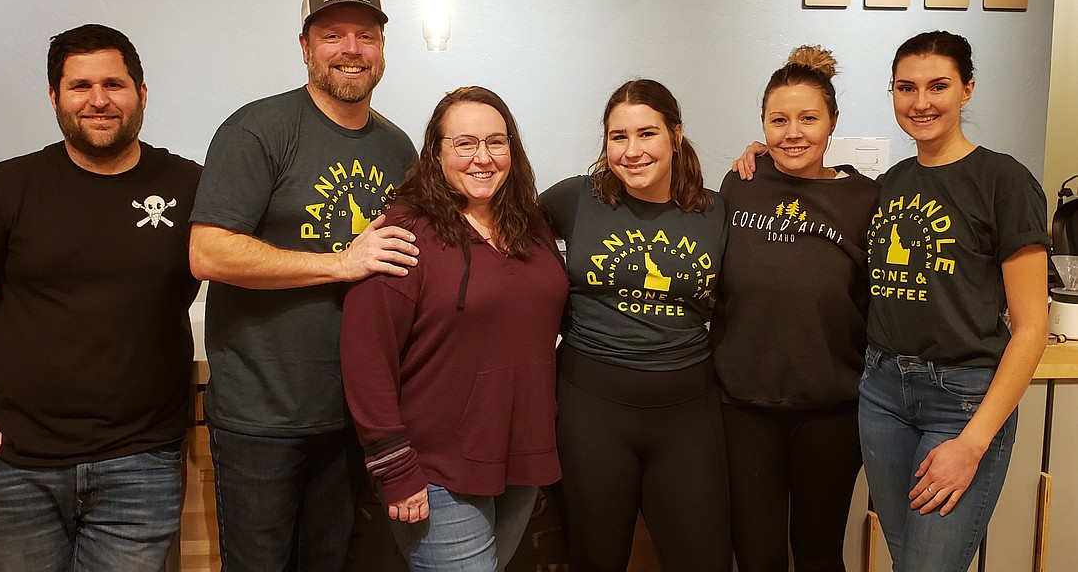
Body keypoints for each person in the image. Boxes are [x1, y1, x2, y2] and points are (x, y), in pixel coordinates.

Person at [0, 24, 201, 571]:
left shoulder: (190, 187)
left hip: (140, 463)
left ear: (142, 94)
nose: (98, 100)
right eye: (80, 87)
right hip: (18, 465)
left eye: (114, 85)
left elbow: (250, 262)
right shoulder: (7, 189)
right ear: (54, 98)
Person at [188, 0, 419, 571]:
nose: (350, 49)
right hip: (263, 415)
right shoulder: (260, 130)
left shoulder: (398, 149)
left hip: (354, 412)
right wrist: (339, 264)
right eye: (332, 35)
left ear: (382, 50)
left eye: (365, 36)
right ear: (305, 47)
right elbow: (208, 252)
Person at [340, 86, 567, 571]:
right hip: (435, 467)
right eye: (464, 144)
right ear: (436, 153)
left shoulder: (531, 225)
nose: (482, 158)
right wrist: (394, 464)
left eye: (496, 142)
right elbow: (366, 355)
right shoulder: (404, 232)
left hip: (520, 456)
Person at [857, 31, 1048, 571]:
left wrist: (973, 442)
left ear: (967, 89)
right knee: (907, 561)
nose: (921, 103)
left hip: (960, 402)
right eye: (906, 88)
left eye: (938, 86)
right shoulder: (891, 183)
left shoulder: (1003, 181)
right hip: (882, 395)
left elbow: (1032, 327)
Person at [539, 79, 730, 571]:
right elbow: (496, 228)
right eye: (617, 137)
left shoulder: (716, 211)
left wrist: (762, 156)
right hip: (590, 406)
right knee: (594, 559)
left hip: (688, 408)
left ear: (676, 135)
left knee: (703, 559)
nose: (632, 151)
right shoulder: (574, 200)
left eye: (647, 134)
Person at [711, 46, 879, 572]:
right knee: (756, 555)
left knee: (819, 553)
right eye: (778, 120)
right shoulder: (740, 184)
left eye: (808, 118)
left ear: (833, 123)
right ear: (762, 125)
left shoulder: (866, 199)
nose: (793, 132)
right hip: (743, 409)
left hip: (831, 411)